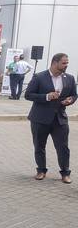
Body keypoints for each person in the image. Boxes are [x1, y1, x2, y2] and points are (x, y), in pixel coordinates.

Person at [25, 53, 76, 184]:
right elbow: (28, 95)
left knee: (63, 147)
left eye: (67, 62)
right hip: (40, 118)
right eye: (64, 63)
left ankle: (65, 173)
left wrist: (70, 100)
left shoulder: (69, 78)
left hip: (60, 119)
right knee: (39, 146)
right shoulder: (39, 77)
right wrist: (46, 97)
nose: (66, 65)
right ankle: (41, 170)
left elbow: (74, 95)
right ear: (54, 63)